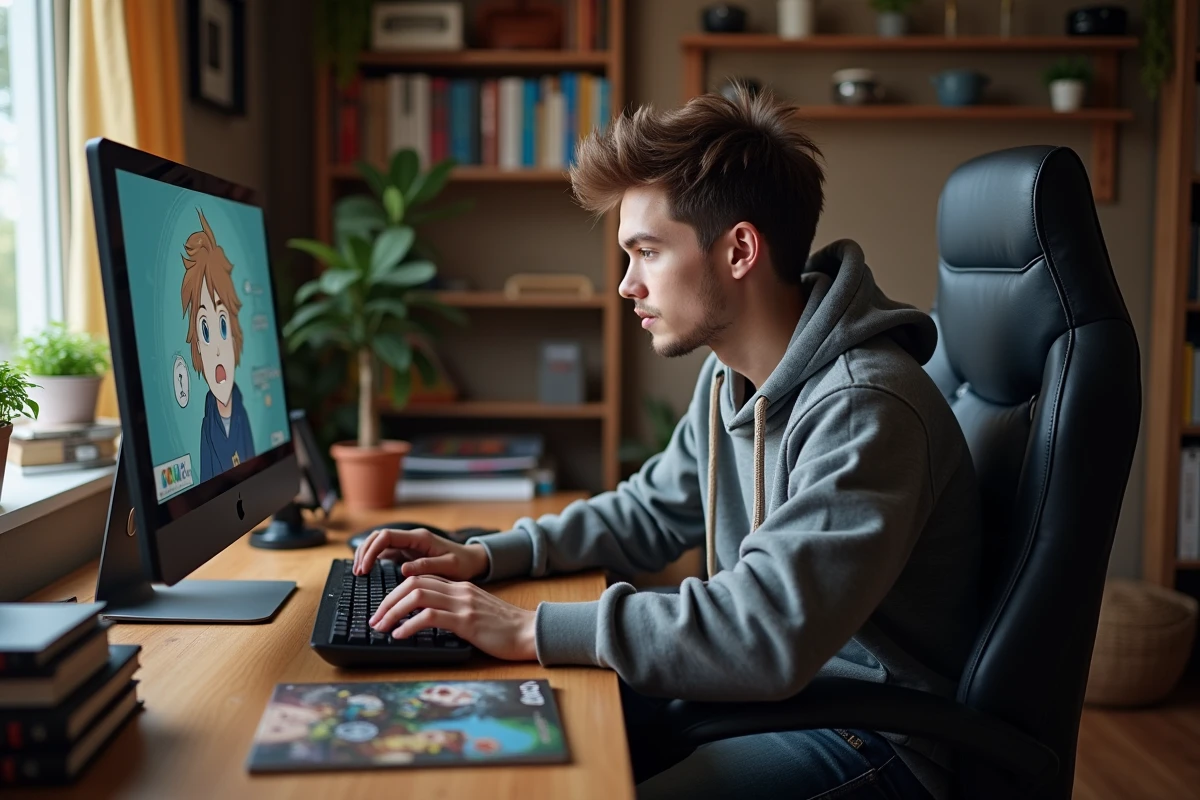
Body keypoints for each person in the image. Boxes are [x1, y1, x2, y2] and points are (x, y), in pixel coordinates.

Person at [353, 86, 982, 800]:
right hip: (770, 698)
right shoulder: (732, 375)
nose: (627, 285)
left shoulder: (864, 407)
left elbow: (765, 630)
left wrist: (529, 628)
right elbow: (649, 511)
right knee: (491, 736)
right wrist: (490, 555)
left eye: (647, 252)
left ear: (739, 250)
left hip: (871, 737)